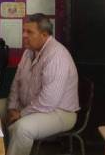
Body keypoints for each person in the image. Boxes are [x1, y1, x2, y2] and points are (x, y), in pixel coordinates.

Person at [6, 13, 79, 155]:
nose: (24, 35)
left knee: (22, 128)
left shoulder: (56, 56)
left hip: (59, 112)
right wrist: (12, 107)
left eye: (29, 32)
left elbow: (48, 101)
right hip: (28, 107)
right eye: (23, 31)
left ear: (44, 35)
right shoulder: (28, 52)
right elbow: (16, 83)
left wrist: (21, 114)